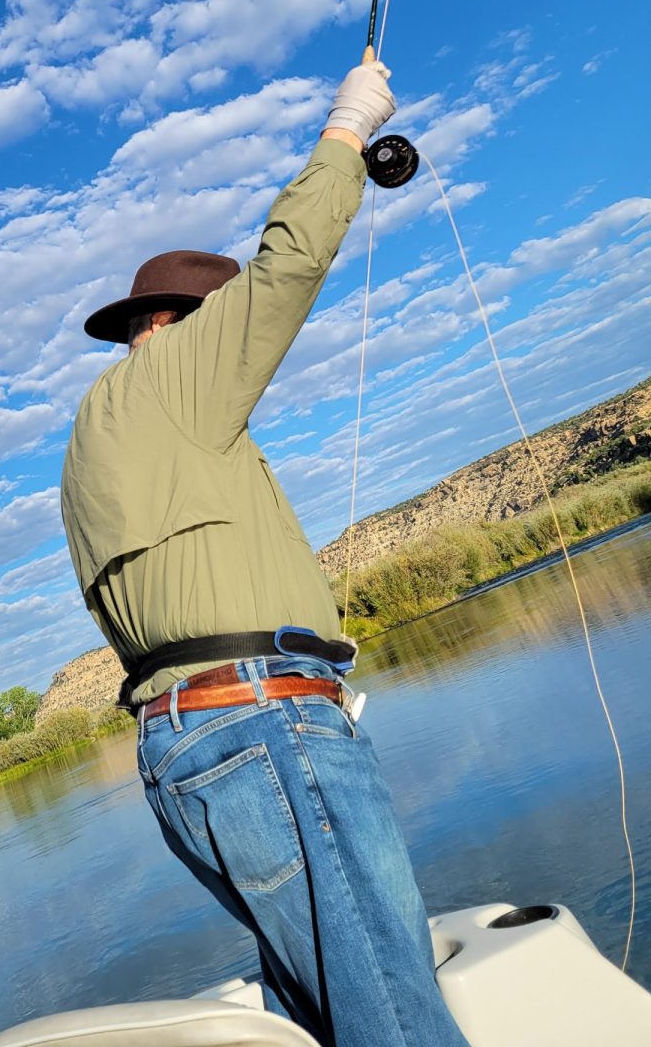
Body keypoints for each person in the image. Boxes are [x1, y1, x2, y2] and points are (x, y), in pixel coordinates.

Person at [60, 59, 469, 1047]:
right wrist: (346, 130)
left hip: (196, 749)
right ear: (177, 326)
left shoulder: (94, 437)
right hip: (262, 727)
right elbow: (290, 262)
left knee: (328, 1012)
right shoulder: (173, 376)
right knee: (397, 1021)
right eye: (219, 323)